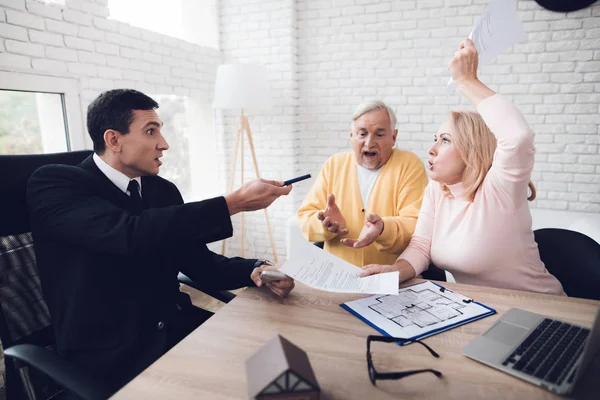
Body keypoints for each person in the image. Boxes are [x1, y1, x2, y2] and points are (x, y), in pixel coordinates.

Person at [27, 89, 295, 395]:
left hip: (176, 328)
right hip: (110, 353)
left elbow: (199, 262)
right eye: (150, 131)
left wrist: (256, 269)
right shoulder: (55, 184)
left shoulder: (161, 191)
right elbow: (130, 234)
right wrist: (231, 203)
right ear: (113, 140)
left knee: (277, 367)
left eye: (161, 131)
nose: (164, 144)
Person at [360, 39, 565, 296]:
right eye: (435, 139)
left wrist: (466, 80)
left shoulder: (500, 188)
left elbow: (518, 136)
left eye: (445, 140)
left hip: (541, 311)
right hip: (480, 311)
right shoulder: (437, 189)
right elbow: (423, 245)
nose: (432, 149)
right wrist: (395, 270)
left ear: (472, 151)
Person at [297, 101, 428, 267]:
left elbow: (416, 223)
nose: (369, 143)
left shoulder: (409, 164)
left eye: (379, 135)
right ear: (351, 135)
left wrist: (383, 229)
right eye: (362, 134)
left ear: (394, 137)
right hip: (337, 276)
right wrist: (325, 224)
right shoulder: (334, 164)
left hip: (391, 276)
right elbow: (306, 217)